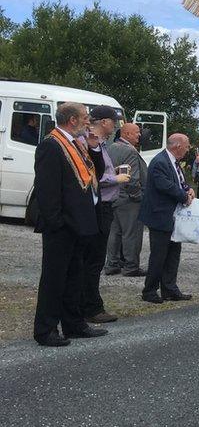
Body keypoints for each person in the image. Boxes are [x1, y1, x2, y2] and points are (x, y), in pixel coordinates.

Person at [32, 102, 107, 347]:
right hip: (62, 225)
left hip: (79, 223)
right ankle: (46, 329)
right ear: (72, 120)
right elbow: (47, 189)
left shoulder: (78, 144)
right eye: (85, 117)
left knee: (75, 276)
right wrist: (56, 222)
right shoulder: (51, 145)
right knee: (54, 278)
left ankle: (73, 324)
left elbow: (92, 173)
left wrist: (94, 148)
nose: (89, 122)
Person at [82, 105, 129, 324]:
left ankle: (91, 304)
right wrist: (114, 179)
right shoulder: (88, 144)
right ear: (103, 122)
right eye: (113, 122)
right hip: (98, 206)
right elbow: (91, 177)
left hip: (105, 205)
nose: (115, 127)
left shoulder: (102, 145)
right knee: (93, 259)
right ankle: (90, 307)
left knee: (96, 258)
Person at [138, 134, 194, 304]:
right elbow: (165, 186)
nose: (188, 148)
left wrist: (189, 189)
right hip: (160, 216)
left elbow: (179, 181)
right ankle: (149, 291)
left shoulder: (173, 162)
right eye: (187, 145)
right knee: (159, 255)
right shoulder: (160, 162)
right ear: (177, 146)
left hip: (172, 216)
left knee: (173, 254)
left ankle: (169, 289)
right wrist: (184, 197)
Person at [105, 123, 148, 276]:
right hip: (129, 199)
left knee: (114, 232)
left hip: (114, 196)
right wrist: (138, 197)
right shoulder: (130, 151)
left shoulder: (111, 147)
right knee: (132, 233)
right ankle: (131, 267)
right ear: (127, 134)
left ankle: (111, 264)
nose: (139, 135)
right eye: (137, 133)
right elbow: (132, 179)